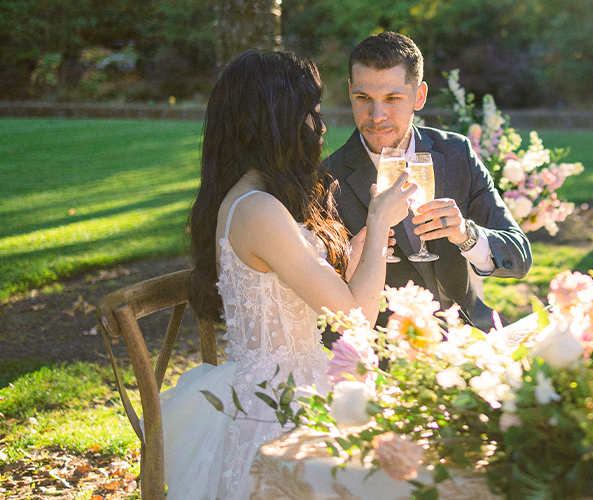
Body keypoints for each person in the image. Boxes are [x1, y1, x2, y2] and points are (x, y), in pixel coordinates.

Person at [159, 50, 415, 499]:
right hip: (276, 403)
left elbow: (349, 312)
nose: (320, 125)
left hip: (308, 378)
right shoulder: (257, 209)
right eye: (311, 112)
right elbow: (356, 320)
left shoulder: (259, 198)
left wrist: (358, 257)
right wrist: (378, 225)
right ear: (276, 120)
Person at [321, 32, 532, 332]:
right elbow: (323, 305)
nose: (377, 115)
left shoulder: (456, 153)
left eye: (392, 98)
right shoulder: (325, 179)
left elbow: (519, 255)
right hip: (387, 354)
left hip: (474, 333)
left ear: (419, 96)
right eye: (363, 98)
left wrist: (466, 235)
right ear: (350, 92)